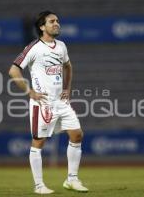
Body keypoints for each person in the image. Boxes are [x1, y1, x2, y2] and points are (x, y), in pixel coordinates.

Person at [8, 10, 88, 194]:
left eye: (58, 21)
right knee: (39, 142)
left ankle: (72, 180)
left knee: (77, 135)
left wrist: (67, 89)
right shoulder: (33, 48)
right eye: (52, 21)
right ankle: (39, 185)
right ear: (42, 27)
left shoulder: (61, 46)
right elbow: (13, 71)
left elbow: (68, 66)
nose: (57, 24)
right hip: (42, 103)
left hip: (61, 102)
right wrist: (29, 92)